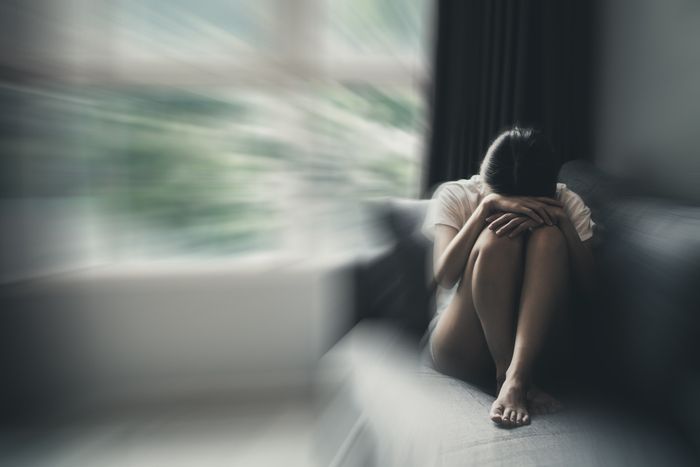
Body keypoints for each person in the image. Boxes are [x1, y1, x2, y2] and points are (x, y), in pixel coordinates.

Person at [423, 127, 596, 428]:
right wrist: (485, 210)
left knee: (549, 239)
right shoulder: (458, 194)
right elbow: (445, 277)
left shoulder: (564, 201)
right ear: (485, 179)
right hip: (464, 342)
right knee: (496, 239)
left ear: (548, 191)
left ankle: (517, 375)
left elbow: (591, 290)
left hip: (537, 348)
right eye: (501, 198)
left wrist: (564, 225)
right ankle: (509, 375)